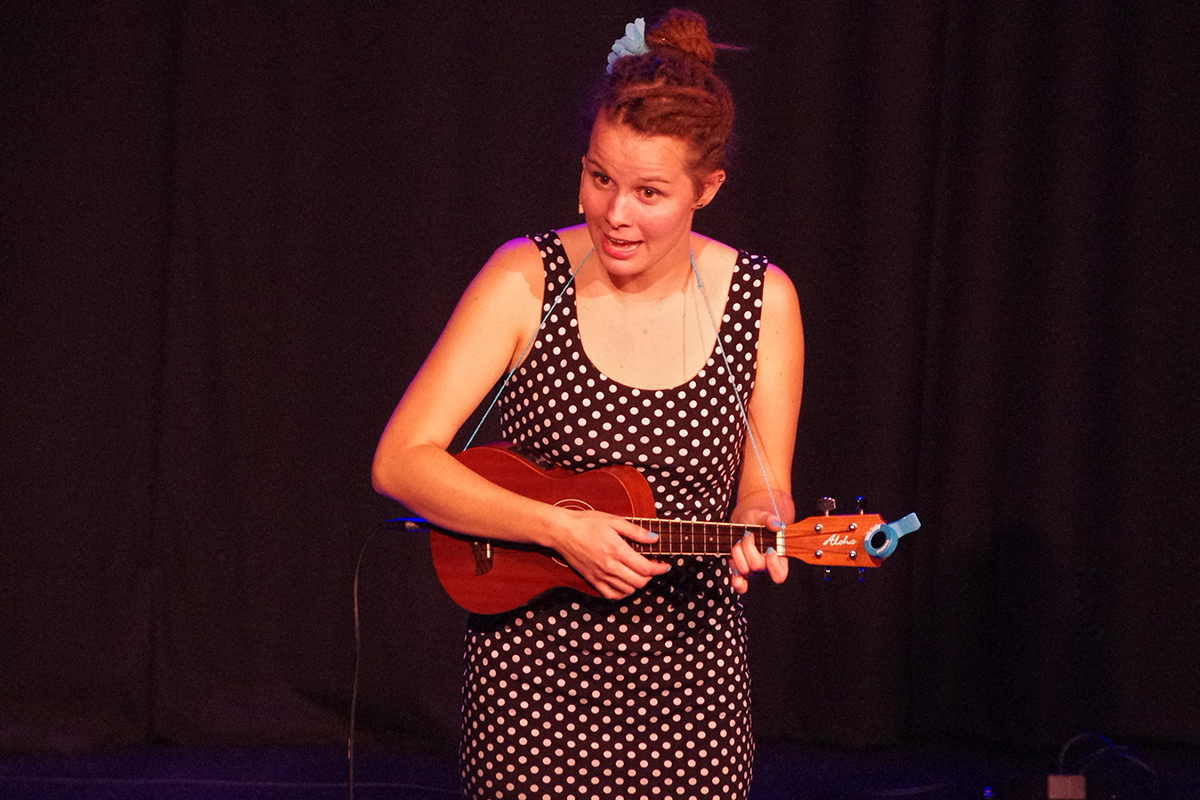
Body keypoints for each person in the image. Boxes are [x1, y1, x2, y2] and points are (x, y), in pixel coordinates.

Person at [372, 10, 804, 799]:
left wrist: (761, 523)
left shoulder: (762, 301)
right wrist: (559, 527)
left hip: (690, 688)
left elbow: (764, 488)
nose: (615, 213)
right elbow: (400, 462)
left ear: (708, 189)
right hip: (530, 686)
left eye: (649, 192)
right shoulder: (523, 280)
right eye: (600, 178)